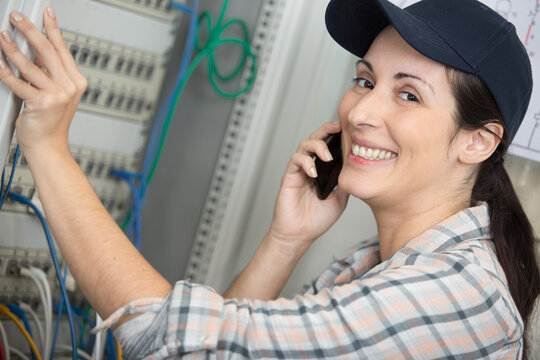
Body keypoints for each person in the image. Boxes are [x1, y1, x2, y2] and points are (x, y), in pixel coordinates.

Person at [0, 0, 539, 358]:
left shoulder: (456, 294)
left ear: (479, 142)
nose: (359, 112)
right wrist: (287, 239)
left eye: (408, 94)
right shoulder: (369, 264)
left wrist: (48, 150)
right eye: (364, 80)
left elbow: (177, 347)